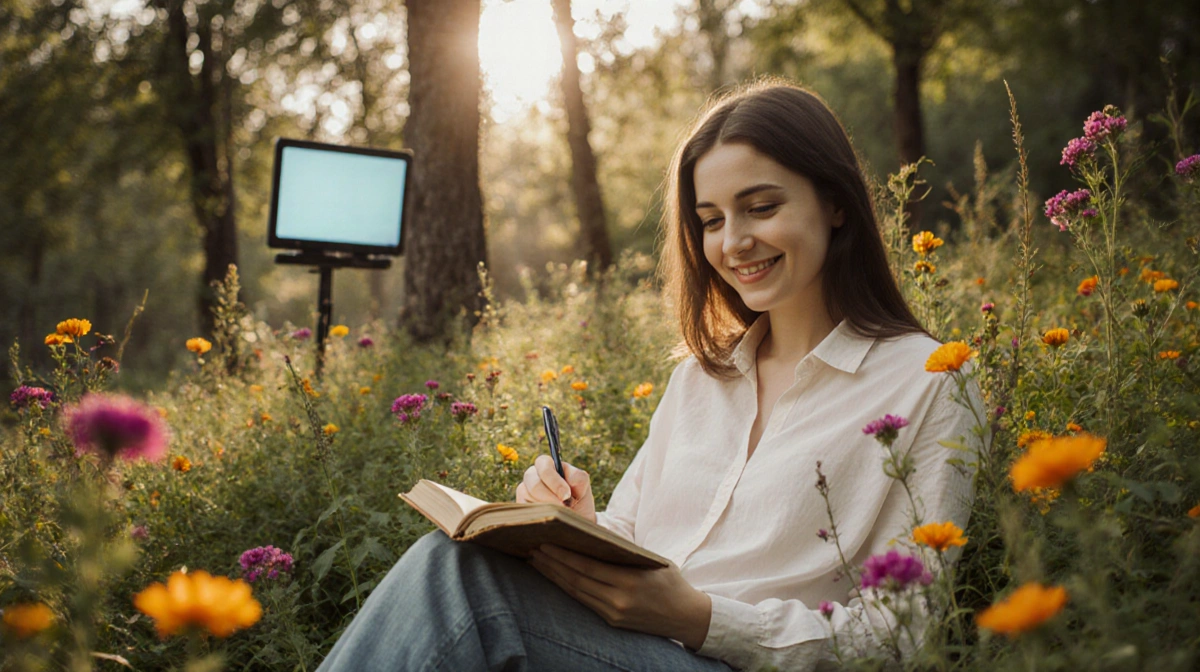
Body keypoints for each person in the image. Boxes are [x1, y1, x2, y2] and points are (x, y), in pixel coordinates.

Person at [316, 80, 980, 672]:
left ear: (835, 203)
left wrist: (698, 619)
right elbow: (635, 532)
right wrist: (578, 525)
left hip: (734, 660)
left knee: (460, 581)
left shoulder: (929, 382)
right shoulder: (701, 380)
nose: (733, 242)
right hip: (621, 646)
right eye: (711, 220)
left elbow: (906, 633)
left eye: (762, 206)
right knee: (460, 558)